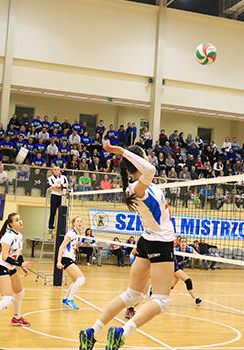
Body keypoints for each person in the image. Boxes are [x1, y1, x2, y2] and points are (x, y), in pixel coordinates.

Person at [79, 141, 174, 350]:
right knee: (161, 300)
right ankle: (123, 332)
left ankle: (92, 332)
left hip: (146, 240)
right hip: (160, 242)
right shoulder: (139, 187)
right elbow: (149, 169)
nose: (148, 157)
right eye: (144, 155)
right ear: (138, 161)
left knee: (133, 295)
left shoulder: (141, 186)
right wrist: (121, 151)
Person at [0, 212, 33, 337]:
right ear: (10, 224)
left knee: (20, 292)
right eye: (17, 220)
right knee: (7, 299)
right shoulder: (7, 237)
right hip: (2, 267)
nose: (20, 221)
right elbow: (4, 256)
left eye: (20, 219)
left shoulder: (19, 235)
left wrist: (22, 264)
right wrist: (21, 265)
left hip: (11, 267)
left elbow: (18, 253)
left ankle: (16, 317)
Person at [56, 216, 86, 310]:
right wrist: (59, 261)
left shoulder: (76, 234)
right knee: (81, 279)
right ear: (73, 224)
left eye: (81, 221)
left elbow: (71, 246)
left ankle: (65, 299)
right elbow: (61, 247)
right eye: (77, 221)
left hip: (70, 258)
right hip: (66, 259)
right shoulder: (71, 233)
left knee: (75, 281)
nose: (80, 222)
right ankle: (70, 300)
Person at [173, 238, 202, 305]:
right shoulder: (176, 250)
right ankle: (195, 298)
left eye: (185, 242)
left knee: (171, 285)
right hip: (173, 267)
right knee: (188, 280)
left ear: (186, 243)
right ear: (179, 243)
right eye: (182, 242)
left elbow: (196, 255)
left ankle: (154, 291)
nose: (183, 243)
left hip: (179, 268)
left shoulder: (190, 249)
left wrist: (196, 256)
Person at [47, 166, 68, 232]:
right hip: (54, 196)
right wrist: (61, 186)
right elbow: (52, 186)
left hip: (62, 196)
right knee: (53, 212)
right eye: (55, 169)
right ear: (53, 171)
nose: (56, 171)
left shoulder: (64, 177)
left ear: (60, 171)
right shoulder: (51, 178)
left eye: (57, 169)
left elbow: (66, 185)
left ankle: (60, 227)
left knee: (62, 212)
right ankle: (50, 227)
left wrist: (60, 186)